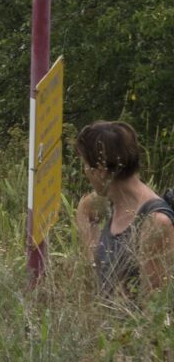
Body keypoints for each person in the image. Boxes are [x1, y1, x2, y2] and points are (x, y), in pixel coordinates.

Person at [73, 120, 174, 296]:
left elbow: (154, 310)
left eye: (86, 165)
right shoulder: (109, 201)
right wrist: (94, 257)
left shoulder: (156, 222)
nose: (85, 171)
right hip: (104, 321)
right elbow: (86, 210)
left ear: (101, 171)